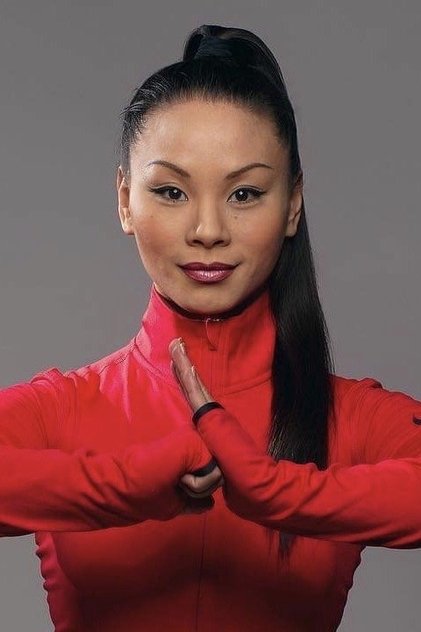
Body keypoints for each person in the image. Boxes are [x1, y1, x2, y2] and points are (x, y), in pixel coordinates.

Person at [1, 22, 421, 632]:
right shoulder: (63, 410)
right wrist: (125, 485)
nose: (207, 230)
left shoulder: (350, 418)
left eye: (244, 193)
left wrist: (280, 492)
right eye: (171, 191)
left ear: (292, 204)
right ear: (124, 200)